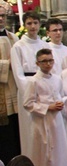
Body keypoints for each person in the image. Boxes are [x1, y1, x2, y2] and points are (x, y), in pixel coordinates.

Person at [23, 48, 67, 166]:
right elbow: (28, 104)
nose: (48, 64)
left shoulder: (57, 79)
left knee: (59, 154)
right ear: (37, 63)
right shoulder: (33, 81)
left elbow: (61, 95)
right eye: (44, 61)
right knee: (44, 155)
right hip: (41, 123)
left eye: (50, 60)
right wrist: (47, 107)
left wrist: (60, 103)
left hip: (57, 122)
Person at [11, 12, 48, 157]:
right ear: (24, 25)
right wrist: (31, 89)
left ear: (40, 25)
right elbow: (18, 73)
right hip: (28, 90)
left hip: (44, 89)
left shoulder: (44, 44)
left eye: (35, 23)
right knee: (29, 128)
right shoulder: (18, 46)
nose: (32, 26)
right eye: (29, 23)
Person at [0, 0, 20, 165]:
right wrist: (7, 64)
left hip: (13, 88)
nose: (0, 19)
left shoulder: (14, 37)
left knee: (15, 131)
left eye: (3, 16)